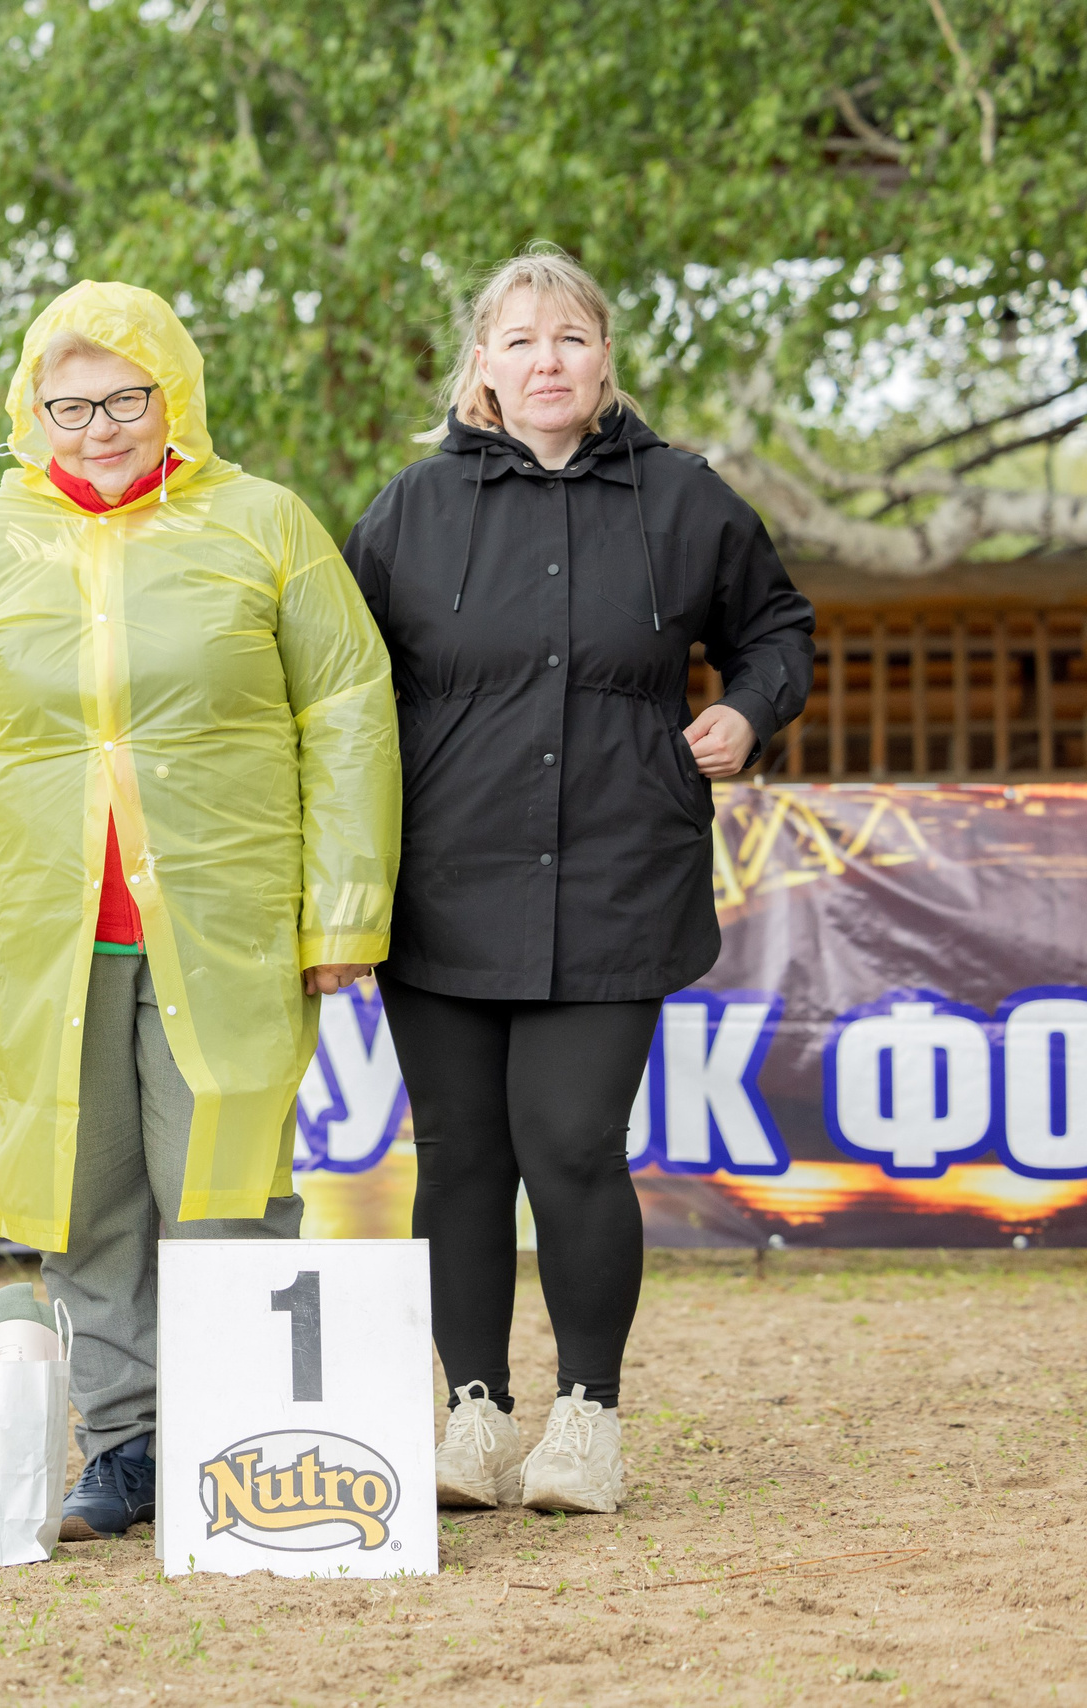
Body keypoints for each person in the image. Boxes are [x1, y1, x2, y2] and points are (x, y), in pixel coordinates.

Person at [0, 281, 400, 1539]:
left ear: (176, 395)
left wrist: (339, 914)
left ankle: (242, 1429)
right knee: (84, 1193)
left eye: (124, 397)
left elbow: (349, 710)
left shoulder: (266, 524)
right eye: (70, 402)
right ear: (30, 410)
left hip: (227, 928)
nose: (99, 426)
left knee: (219, 1183)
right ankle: (123, 1444)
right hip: (36, 944)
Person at [342, 246, 813, 1516]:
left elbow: (778, 626)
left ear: (603, 357)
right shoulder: (409, 509)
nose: (543, 360)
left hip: (616, 876)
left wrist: (747, 711)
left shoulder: (685, 497)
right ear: (480, 367)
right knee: (456, 1158)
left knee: (569, 1147)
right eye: (517, 340)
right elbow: (338, 686)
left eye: (567, 338)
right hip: (440, 880)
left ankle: (587, 1419)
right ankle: (475, 1416)